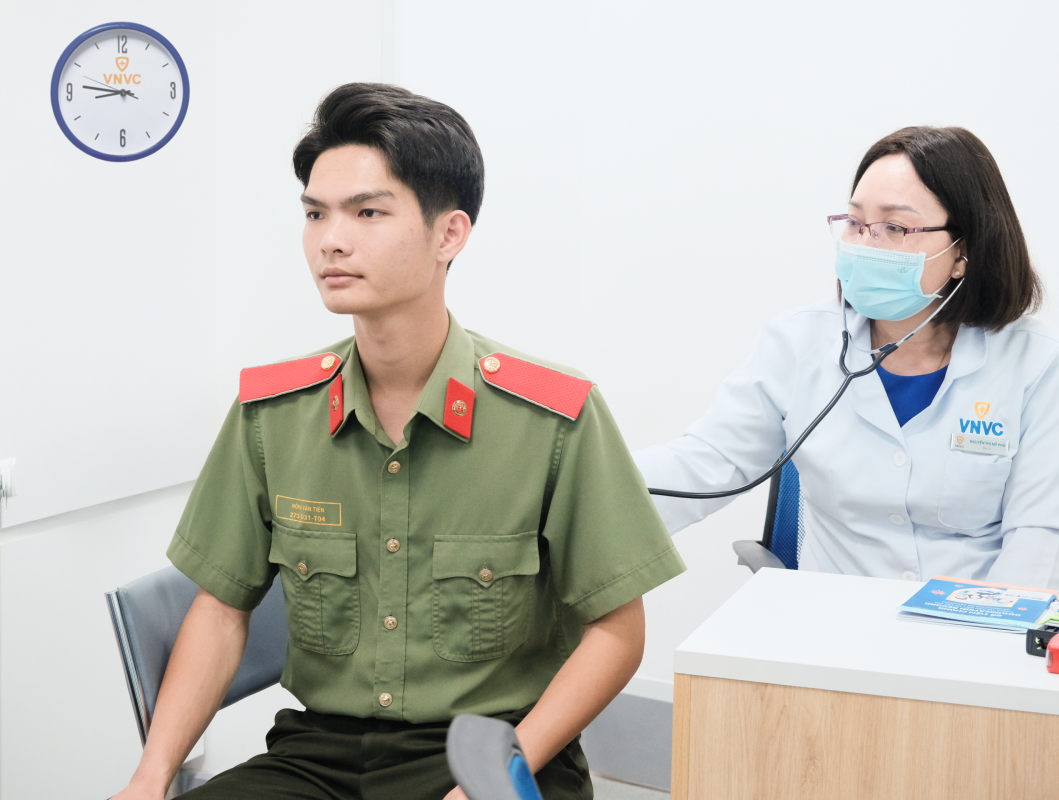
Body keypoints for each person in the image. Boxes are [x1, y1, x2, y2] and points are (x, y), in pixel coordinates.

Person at [114, 83, 685, 800]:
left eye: (368, 212)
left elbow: (617, 632)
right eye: (315, 213)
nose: (331, 239)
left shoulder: (553, 419)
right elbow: (222, 609)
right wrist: (149, 778)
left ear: (450, 235)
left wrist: (501, 773)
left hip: (491, 749)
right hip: (320, 755)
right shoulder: (272, 416)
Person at [635, 126, 1059, 593]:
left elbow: (1045, 536)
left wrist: (989, 627)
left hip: (972, 622)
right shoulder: (797, 343)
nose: (865, 245)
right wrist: (592, 486)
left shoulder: (1036, 361)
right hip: (833, 620)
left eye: (895, 227)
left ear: (963, 251)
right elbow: (707, 463)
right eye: (855, 223)